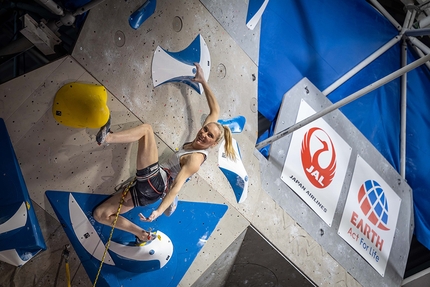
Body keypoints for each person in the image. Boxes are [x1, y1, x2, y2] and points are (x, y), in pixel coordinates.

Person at [92, 63, 236, 245]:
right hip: (148, 192)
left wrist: (158, 211)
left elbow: (176, 187)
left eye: (209, 136)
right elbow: (215, 110)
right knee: (100, 215)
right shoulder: (205, 135)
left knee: (146, 130)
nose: (203, 134)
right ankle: (142, 235)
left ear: (213, 144)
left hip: (156, 183)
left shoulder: (195, 159)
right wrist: (203, 81)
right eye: (205, 129)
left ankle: (108, 137)